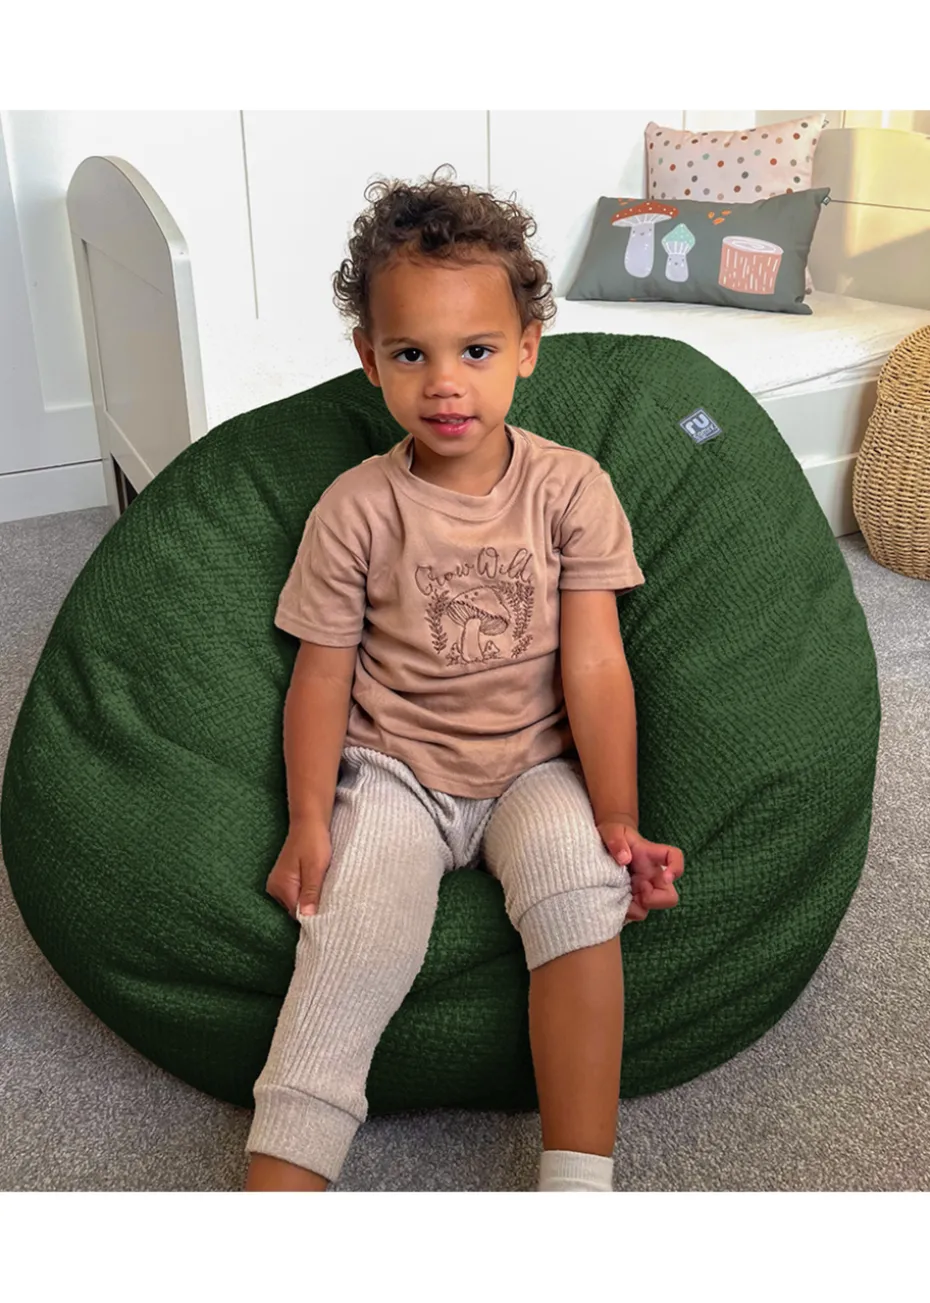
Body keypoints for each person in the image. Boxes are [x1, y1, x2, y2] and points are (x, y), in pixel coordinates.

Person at [243, 166, 684, 1193]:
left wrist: (618, 818)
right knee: (350, 941)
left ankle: (577, 1187)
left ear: (528, 347)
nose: (446, 382)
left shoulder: (571, 487)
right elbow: (321, 677)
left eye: (476, 350)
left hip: (536, 767)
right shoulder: (355, 508)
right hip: (396, 771)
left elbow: (596, 660)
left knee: (582, 893)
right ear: (371, 360)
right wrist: (309, 820)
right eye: (413, 354)